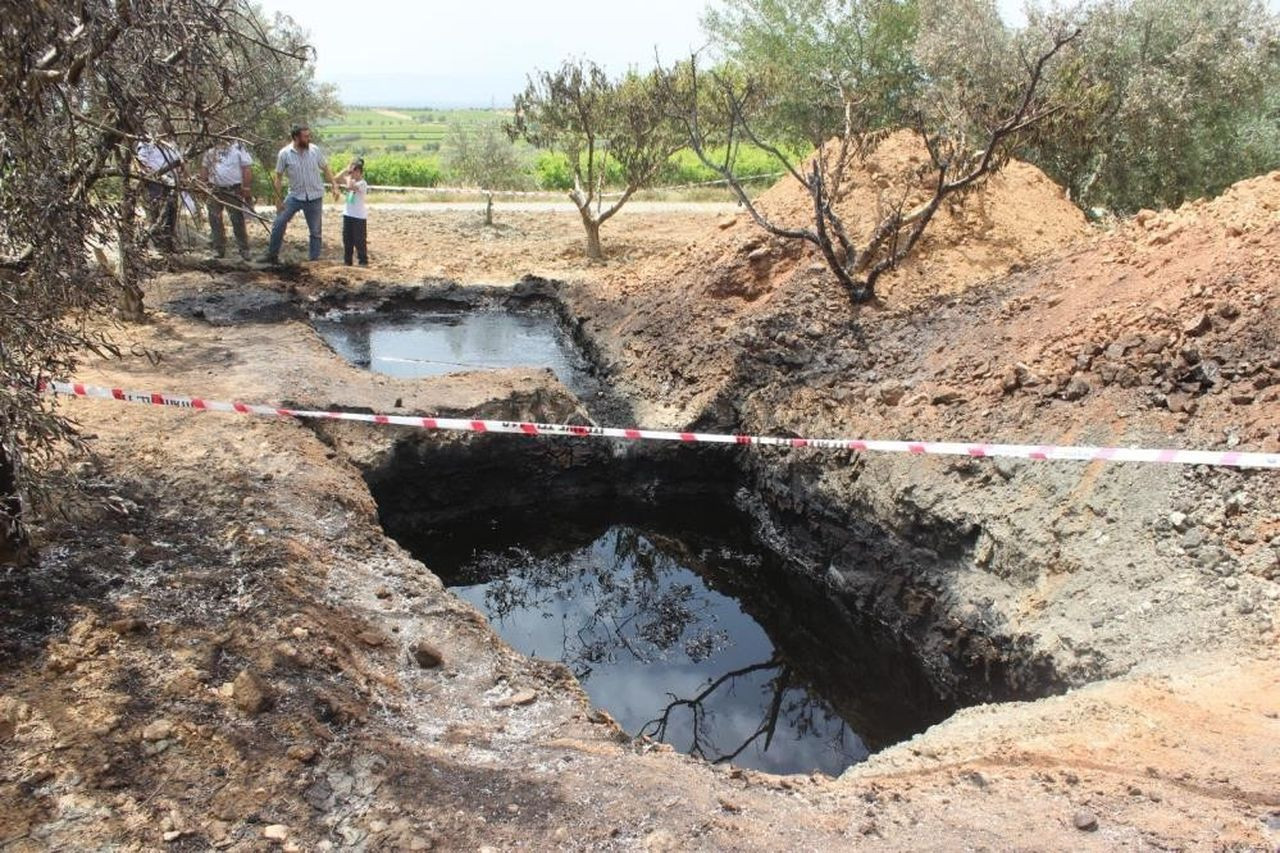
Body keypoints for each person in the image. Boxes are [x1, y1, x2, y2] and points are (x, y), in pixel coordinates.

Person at [260, 124, 338, 264]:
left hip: (315, 196)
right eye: (305, 136)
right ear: (296, 137)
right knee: (279, 222)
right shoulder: (284, 154)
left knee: (315, 231)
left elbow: (325, 168)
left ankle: (314, 260)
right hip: (295, 196)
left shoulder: (315, 150)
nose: (309, 139)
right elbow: (278, 176)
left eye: (309, 136)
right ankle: (272, 255)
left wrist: (334, 185)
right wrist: (278, 199)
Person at [200, 140, 255, 260]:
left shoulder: (239, 147)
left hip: (233, 189)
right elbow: (204, 167)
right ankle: (218, 249)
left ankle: (244, 250)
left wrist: (246, 187)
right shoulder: (210, 148)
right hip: (214, 190)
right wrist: (203, 185)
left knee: (237, 219)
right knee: (215, 220)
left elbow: (246, 168)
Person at [135, 137, 182, 252]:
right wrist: (159, 176)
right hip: (154, 183)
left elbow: (179, 164)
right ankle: (156, 245)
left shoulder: (171, 144)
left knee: (171, 212)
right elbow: (141, 164)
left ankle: (168, 243)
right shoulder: (147, 144)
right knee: (156, 213)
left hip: (171, 183)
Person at [335, 158, 369, 266]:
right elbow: (336, 179)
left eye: (353, 171)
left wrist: (348, 177)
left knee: (359, 240)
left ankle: (363, 261)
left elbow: (350, 187)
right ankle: (347, 261)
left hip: (359, 217)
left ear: (359, 172)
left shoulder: (362, 183)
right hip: (348, 214)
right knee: (347, 239)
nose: (351, 174)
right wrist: (346, 170)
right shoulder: (351, 179)